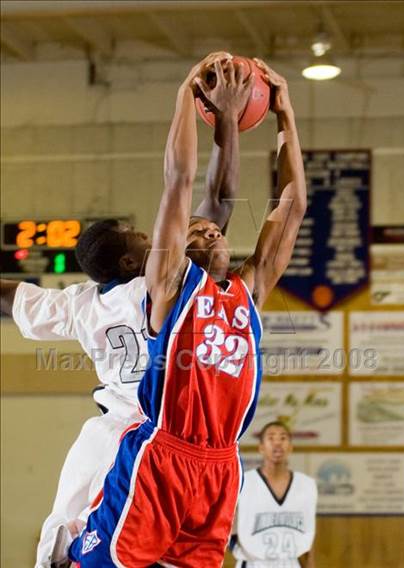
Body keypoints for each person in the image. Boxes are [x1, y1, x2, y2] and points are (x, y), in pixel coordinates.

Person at [62, 56, 307, 568]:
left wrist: (285, 115)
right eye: (196, 230)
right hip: (162, 456)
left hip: (221, 465)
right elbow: (179, 180)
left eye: (214, 227)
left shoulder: (249, 290)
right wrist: (182, 92)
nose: (211, 228)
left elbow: (292, 205)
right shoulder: (170, 290)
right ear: (178, 253)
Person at [0, 50, 238, 568]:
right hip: (158, 436)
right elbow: (214, 196)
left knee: (62, 539)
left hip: (106, 433)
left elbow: (10, 293)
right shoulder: (165, 282)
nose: (152, 236)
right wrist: (223, 120)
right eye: (140, 236)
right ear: (133, 259)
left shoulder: (80, 302)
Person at [231, 421, 317, 568]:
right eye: (271, 438)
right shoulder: (243, 482)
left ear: (290, 447)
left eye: (283, 438)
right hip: (253, 563)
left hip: (291, 563)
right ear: (261, 448)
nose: (277, 443)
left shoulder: (306, 484)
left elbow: (308, 533)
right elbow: (227, 527)